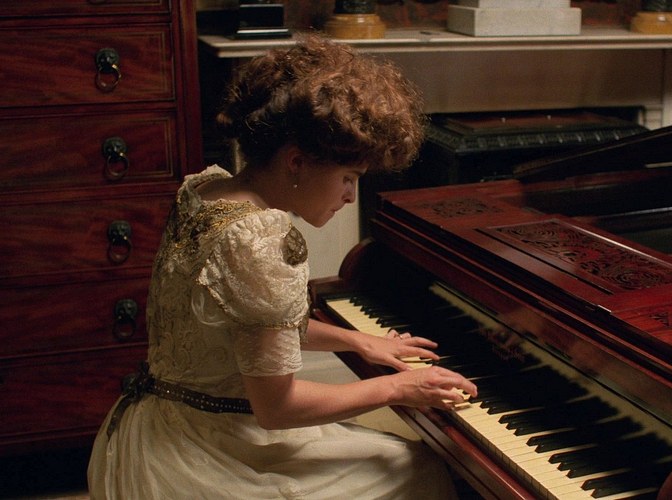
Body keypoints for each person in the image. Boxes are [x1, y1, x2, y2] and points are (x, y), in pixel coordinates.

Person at [87, 34, 478, 499]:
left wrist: (356, 340)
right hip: (204, 452)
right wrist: (399, 388)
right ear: (296, 162)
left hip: (151, 424)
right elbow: (278, 408)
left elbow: (242, 325)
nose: (350, 196)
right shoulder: (259, 241)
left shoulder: (207, 190)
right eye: (348, 177)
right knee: (418, 469)